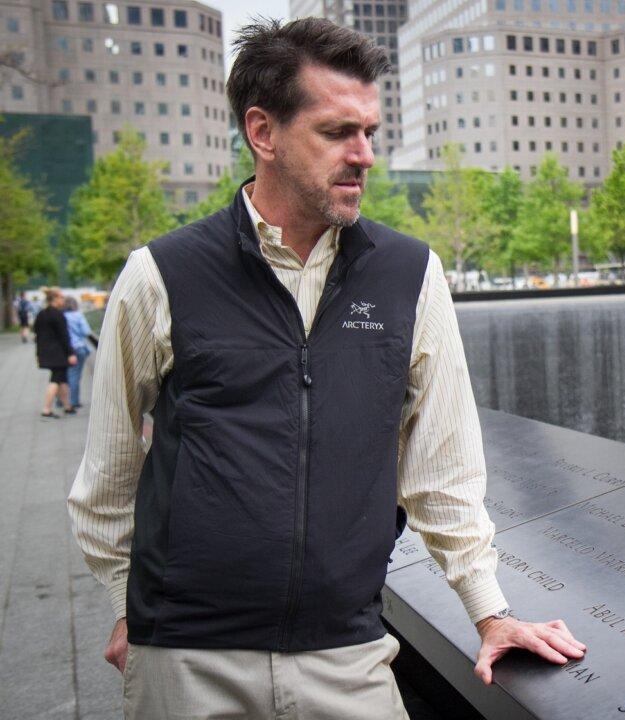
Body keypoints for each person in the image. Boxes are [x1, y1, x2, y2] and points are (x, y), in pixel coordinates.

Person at [67, 18, 584, 720]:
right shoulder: (160, 275)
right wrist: (131, 609)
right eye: (338, 132)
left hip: (348, 654)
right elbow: (107, 481)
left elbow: (444, 473)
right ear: (263, 132)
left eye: (369, 131)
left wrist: (491, 613)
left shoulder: (411, 275)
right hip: (188, 658)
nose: (364, 154)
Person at [33, 288, 76, 417]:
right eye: (61, 297)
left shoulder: (41, 314)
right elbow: (64, 336)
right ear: (55, 299)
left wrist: (38, 353)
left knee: (62, 379)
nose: (63, 300)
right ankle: (46, 409)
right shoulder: (58, 314)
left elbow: (36, 333)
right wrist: (71, 353)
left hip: (45, 351)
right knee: (56, 379)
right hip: (58, 353)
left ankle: (67, 406)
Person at [63, 296, 93, 408]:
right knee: (75, 375)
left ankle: (61, 400)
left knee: (64, 375)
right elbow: (86, 331)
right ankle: (73, 401)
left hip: (65, 349)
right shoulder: (78, 315)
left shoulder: (61, 316)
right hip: (79, 347)